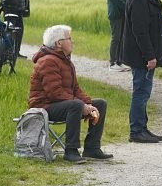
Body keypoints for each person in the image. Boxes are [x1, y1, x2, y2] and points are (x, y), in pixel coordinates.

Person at [28, 25, 113, 163]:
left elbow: (75, 89)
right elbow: (54, 93)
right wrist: (82, 105)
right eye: (69, 38)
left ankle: (92, 148)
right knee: (76, 105)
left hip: (61, 103)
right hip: (44, 106)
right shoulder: (48, 61)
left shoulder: (64, 60)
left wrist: (89, 104)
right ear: (58, 43)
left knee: (100, 104)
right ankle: (71, 151)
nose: (72, 41)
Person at [122, 0, 162, 143]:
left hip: (144, 56)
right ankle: (136, 130)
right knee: (141, 92)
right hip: (141, 57)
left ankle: (142, 127)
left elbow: (148, 21)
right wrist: (150, 56)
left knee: (144, 92)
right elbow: (140, 31)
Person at [104, 0, 133, 71]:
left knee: (122, 37)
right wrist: (128, 7)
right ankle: (113, 62)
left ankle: (120, 61)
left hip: (123, 13)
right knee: (116, 37)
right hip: (116, 14)